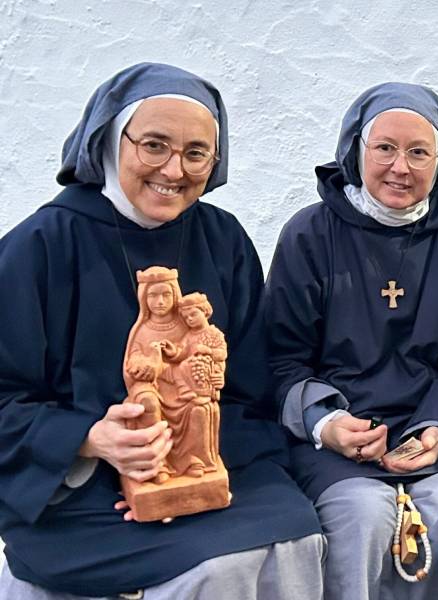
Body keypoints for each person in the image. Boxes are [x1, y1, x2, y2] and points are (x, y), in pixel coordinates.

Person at [0, 62, 324, 599]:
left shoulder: (223, 240)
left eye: (196, 153)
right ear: (109, 141)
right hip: (75, 485)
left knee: (292, 538)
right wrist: (90, 438)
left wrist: (185, 477)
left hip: (213, 458)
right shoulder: (37, 248)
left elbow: (249, 388)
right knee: (212, 567)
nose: (174, 170)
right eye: (154, 145)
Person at [265, 82, 438, 600]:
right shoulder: (309, 235)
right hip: (334, 443)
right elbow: (281, 360)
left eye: (419, 152)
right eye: (385, 148)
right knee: (363, 519)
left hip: (435, 437)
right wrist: (327, 424)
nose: (401, 167)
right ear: (356, 151)